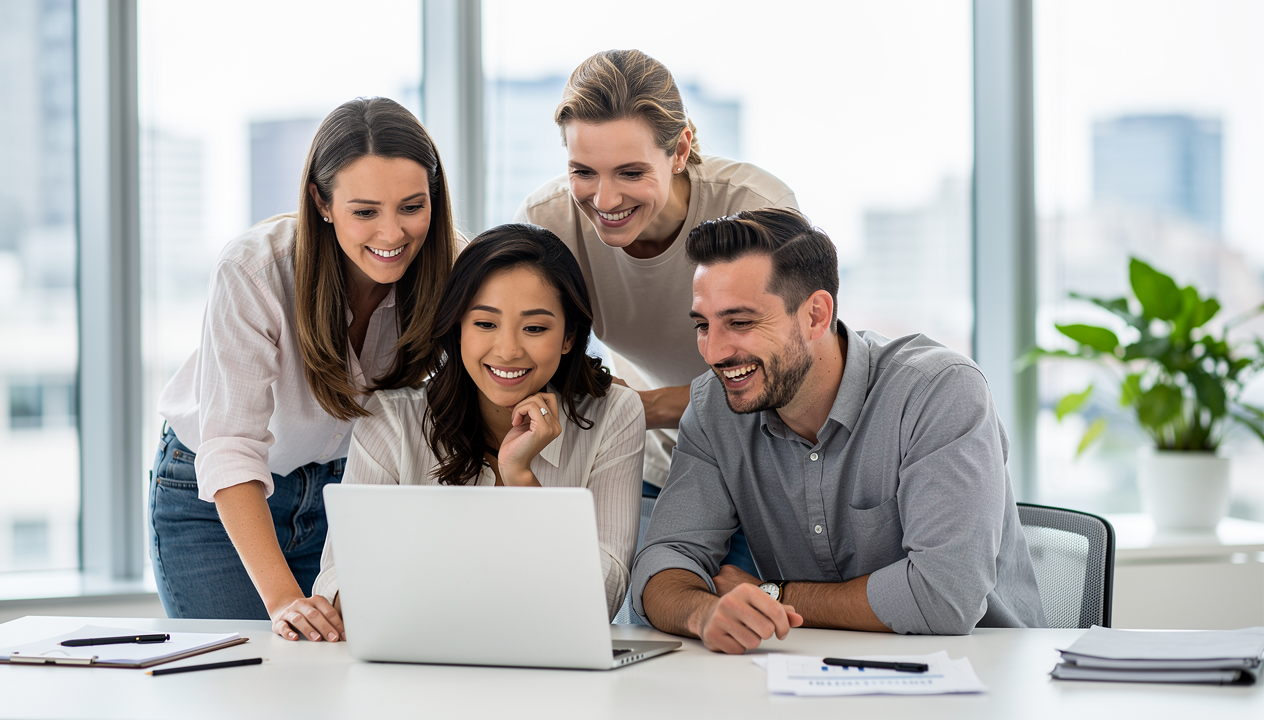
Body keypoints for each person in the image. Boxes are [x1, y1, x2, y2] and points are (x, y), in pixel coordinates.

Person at [633, 208, 1046, 653]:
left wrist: (774, 594)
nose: (713, 351)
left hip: (984, 673)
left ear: (815, 315)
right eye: (702, 325)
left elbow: (944, 599)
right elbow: (661, 563)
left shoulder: (937, 392)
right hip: (811, 674)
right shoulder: (714, 409)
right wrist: (702, 612)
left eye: (740, 322)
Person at [150, 97, 455, 643]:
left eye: (412, 207)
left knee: (345, 681)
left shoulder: (453, 265)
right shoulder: (256, 269)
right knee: (246, 683)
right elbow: (231, 446)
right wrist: (284, 599)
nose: (392, 234)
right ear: (322, 202)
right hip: (221, 500)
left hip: (345, 491)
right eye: (365, 212)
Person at [515, 49, 797, 585]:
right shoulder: (547, 222)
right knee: (655, 614)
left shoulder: (757, 209)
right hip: (655, 466)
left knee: (761, 632)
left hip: (759, 459)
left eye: (630, 172)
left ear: (681, 149)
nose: (605, 198)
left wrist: (631, 407)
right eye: (583, 171)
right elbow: (525, 362)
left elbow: (784, 372)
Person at [312, 224, 645, 618]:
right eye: (485, 323)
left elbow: (599, 596)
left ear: (569, 336)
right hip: (416, 665)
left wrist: (520, 476)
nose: (507, 351)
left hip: (546, 667)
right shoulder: (392, 419)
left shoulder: (615, 414)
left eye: (535, 328)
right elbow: (339, 583)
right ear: (457, 326)